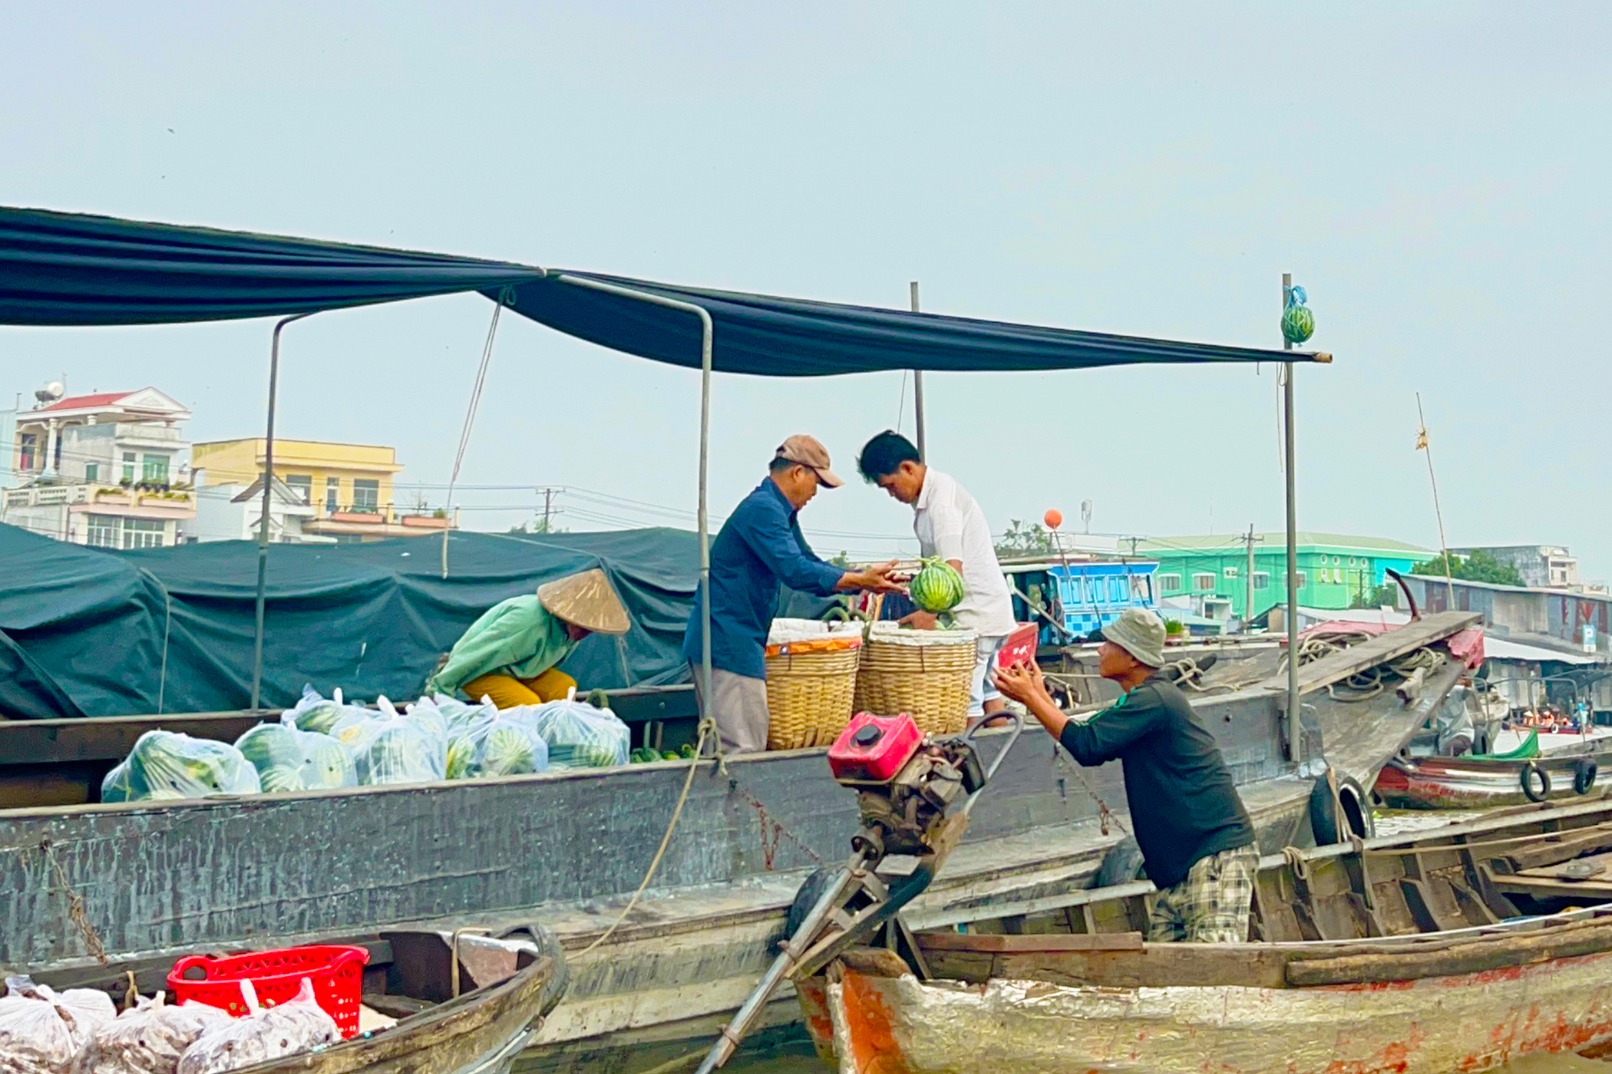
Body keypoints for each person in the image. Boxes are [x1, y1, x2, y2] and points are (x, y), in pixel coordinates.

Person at [993, 607, 1257, 943]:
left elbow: (1086, 744)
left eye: (1108, 643)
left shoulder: (1155, 701)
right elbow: (1089, 737)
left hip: (1212, 858)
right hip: (1178, 869)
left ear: (1132, 658)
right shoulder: (1143, 701)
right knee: (1167, 981)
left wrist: (1031, 698)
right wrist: (1040, 695)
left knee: (1213, 977)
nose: (1100, 650)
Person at [684, 435, 902, 754]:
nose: (815, 493)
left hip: (738, 639)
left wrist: (863, 579)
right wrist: (860, 579)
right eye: (817, 483)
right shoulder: (763, 509)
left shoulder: (778, 510)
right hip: (728, 641)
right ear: (798, 473)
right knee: (740, 749)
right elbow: (795, 570)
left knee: (742, 742)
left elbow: (808, 560)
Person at [856, 430, 1017, 721]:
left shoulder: (941, 504)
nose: (892, 495)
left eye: (891, 486)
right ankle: (1002, 758)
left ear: (908, 468)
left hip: (974, 615)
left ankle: (970, 763)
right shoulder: (934, 495)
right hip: (987, 613)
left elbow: (952, 571)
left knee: (963, 703)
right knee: (989, 694)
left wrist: (927, 615)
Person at [425, 568, 630, 707]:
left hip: (518, 669)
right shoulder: (527, 622)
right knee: (528, 705)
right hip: (481, 670)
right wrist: (440, 688)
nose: (586, 633)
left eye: (590, 628)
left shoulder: (569, 634)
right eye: (583, 625)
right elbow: (477, 652)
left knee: (564, 687)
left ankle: (554, 740)